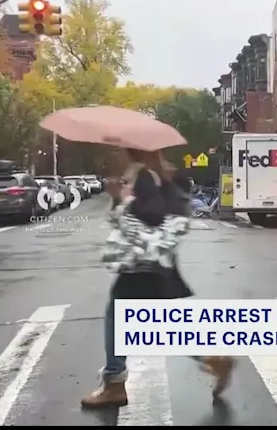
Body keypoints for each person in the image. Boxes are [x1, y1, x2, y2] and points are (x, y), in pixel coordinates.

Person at [80, 150, 235, 409]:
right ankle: (213, 359)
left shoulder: (144, 176)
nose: (114, 153)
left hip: (143, 265)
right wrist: (119, 198)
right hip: (154, 266)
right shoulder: (153, 173)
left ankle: (115, 384)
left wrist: (122, 199)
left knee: (117, 317)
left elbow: (153, 213)